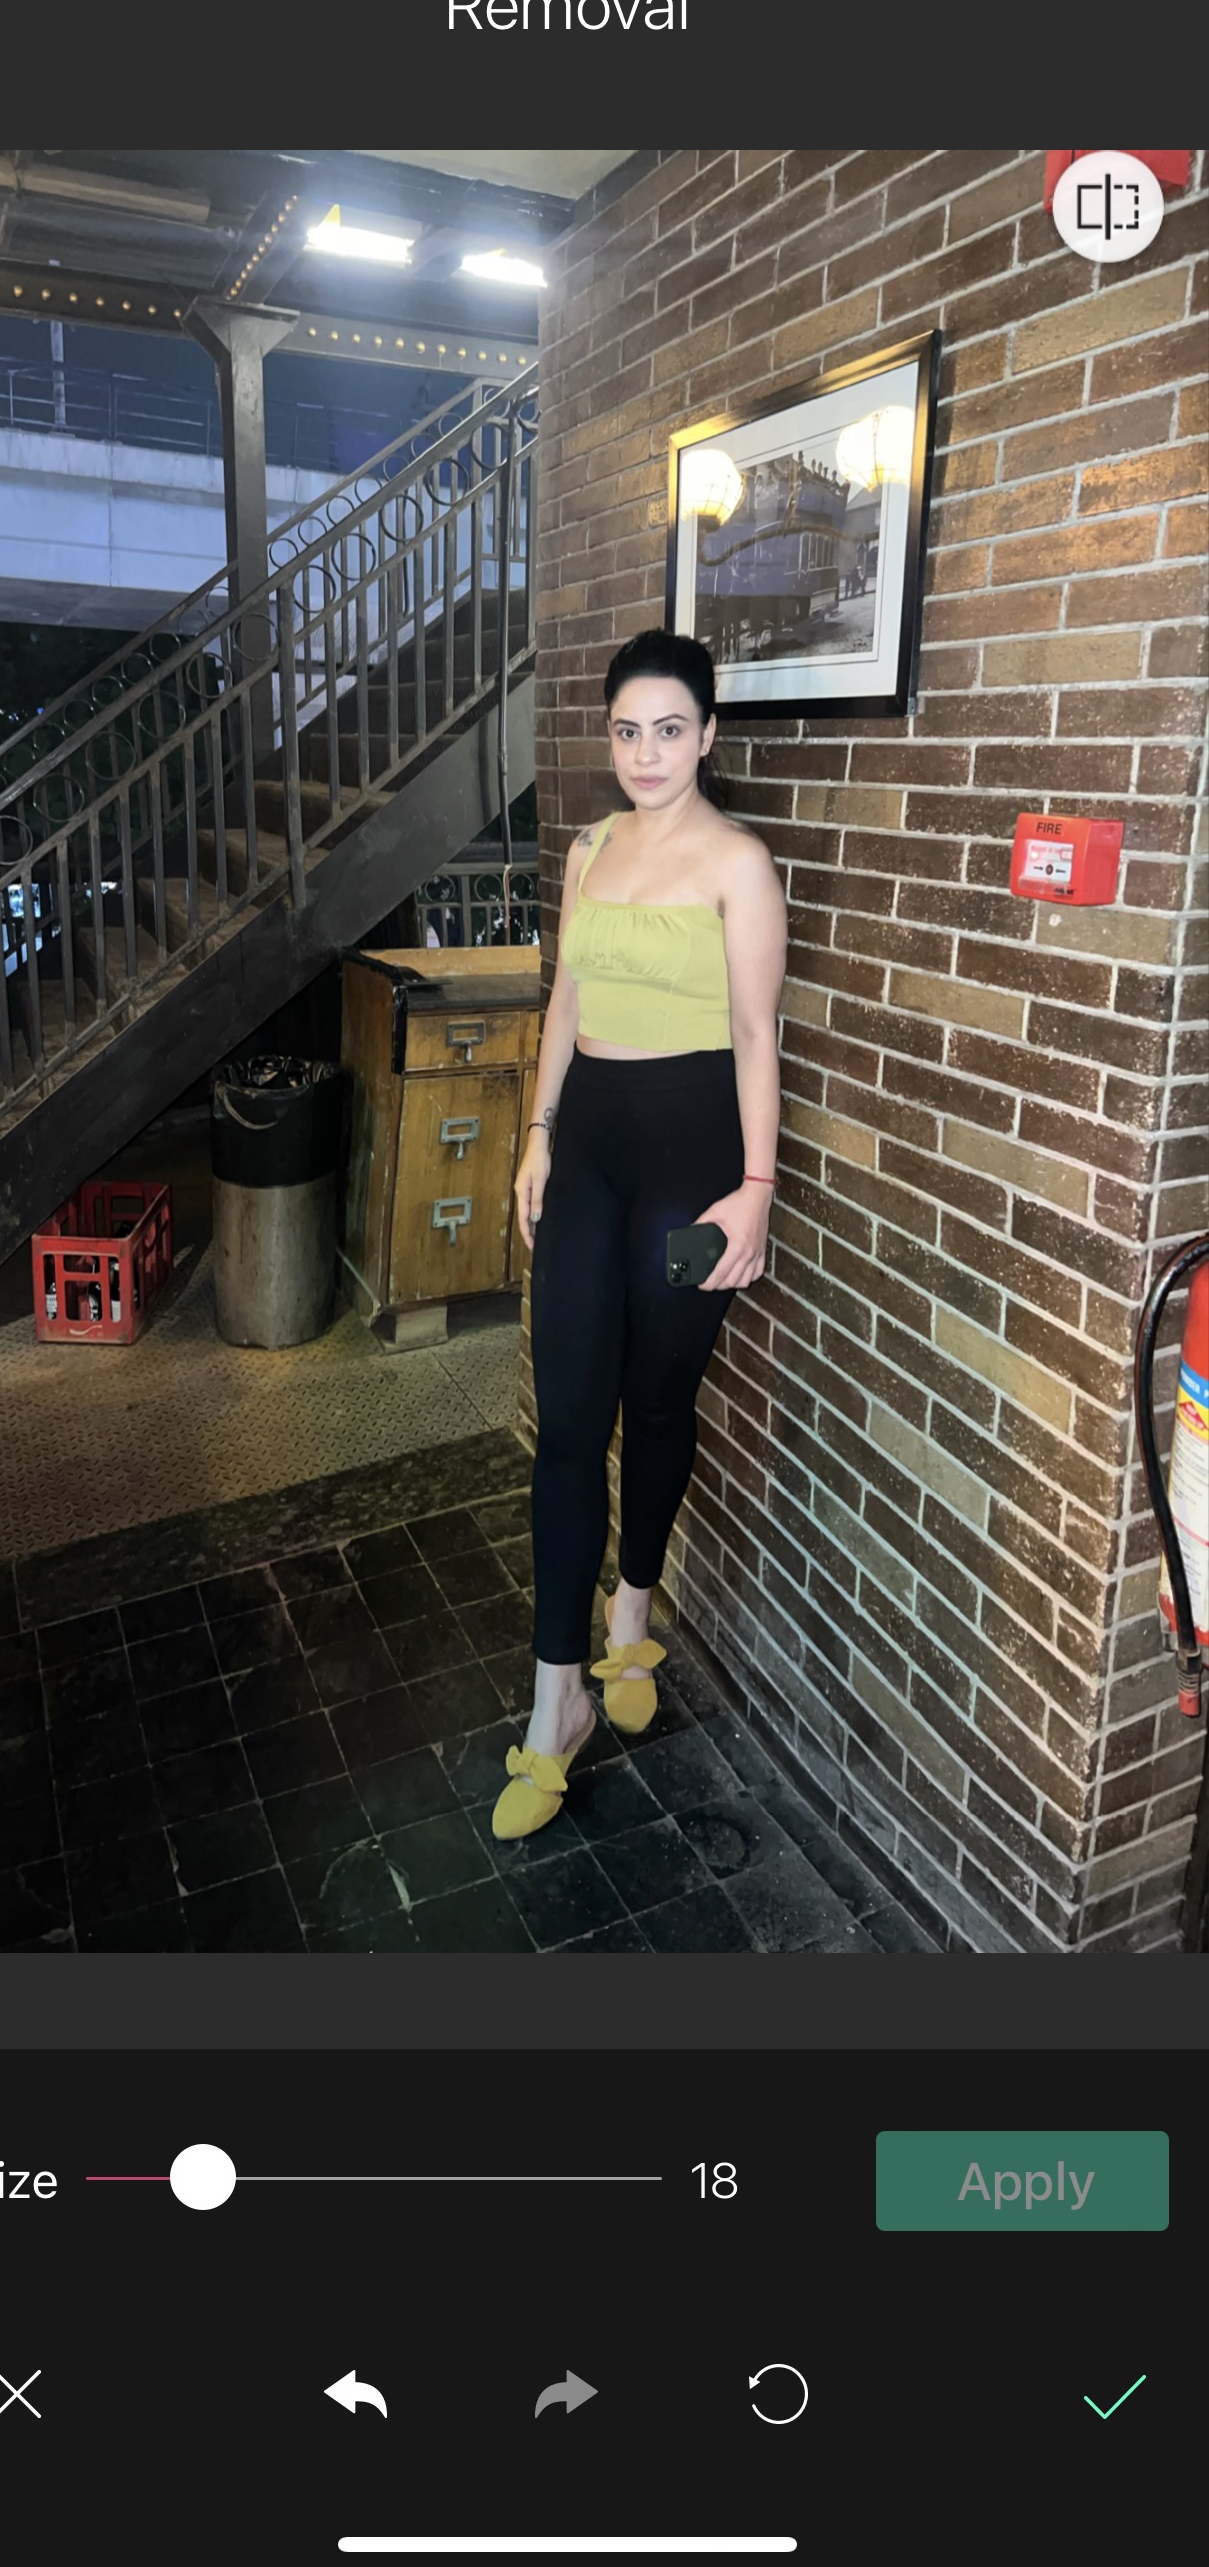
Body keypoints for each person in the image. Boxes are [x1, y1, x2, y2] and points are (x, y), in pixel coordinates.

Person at [491, 629, 789, 1840]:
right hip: (592, 1154)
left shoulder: (739, 863)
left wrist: (756, 1188)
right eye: (628, 731)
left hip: (693, 1170)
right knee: (569, 1423)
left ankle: (631, 1614)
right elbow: (566, 996)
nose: (646, 752)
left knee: (658, 1401)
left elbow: (759, 1036)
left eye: (669, 730)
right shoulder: (589, 848)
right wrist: (537, 1134)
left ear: (707, 735)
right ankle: (554, 1699)